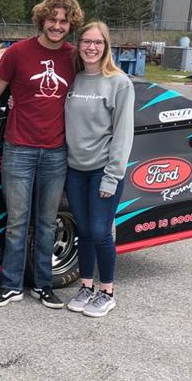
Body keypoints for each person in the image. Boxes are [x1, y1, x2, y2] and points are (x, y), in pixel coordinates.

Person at [0, 0, 84, 308]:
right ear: (42, 19)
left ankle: (43, 286)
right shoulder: (17, 52)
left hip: (57, 152)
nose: (57, 26)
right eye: (52, 19)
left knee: (46, 222)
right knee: (17, 221)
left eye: (63, 21)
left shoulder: (75, 58)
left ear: (71, 24)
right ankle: (11, 286)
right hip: (19, 150)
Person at [63, 22, 135, 317]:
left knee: (100, 231)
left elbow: (123, 134)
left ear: (106, 47)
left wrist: (112, 176)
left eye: (98, 42)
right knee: (83, 230)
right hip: (74, 170)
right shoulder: (74, 79)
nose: (91, 47)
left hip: (102, 170)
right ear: (78, 44)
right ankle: (85, 286)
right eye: (86, 41)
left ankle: (107, 292)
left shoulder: (119, 82)